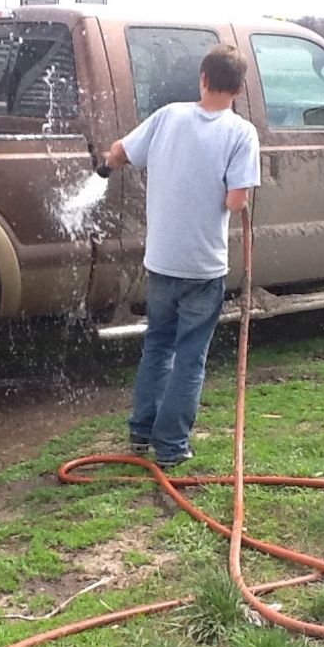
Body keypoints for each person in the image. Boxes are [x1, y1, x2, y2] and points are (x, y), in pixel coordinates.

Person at [103, 43, 260, 467]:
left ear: (203, 79)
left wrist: (107, 159)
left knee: (157, 346)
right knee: (190, 357)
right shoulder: (241, 133)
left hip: (162, 261)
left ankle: (140, 433)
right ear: (240, 89)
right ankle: (171, 447)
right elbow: (235, 202)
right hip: (203, 266)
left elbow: (120, 153)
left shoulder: (167, 116)